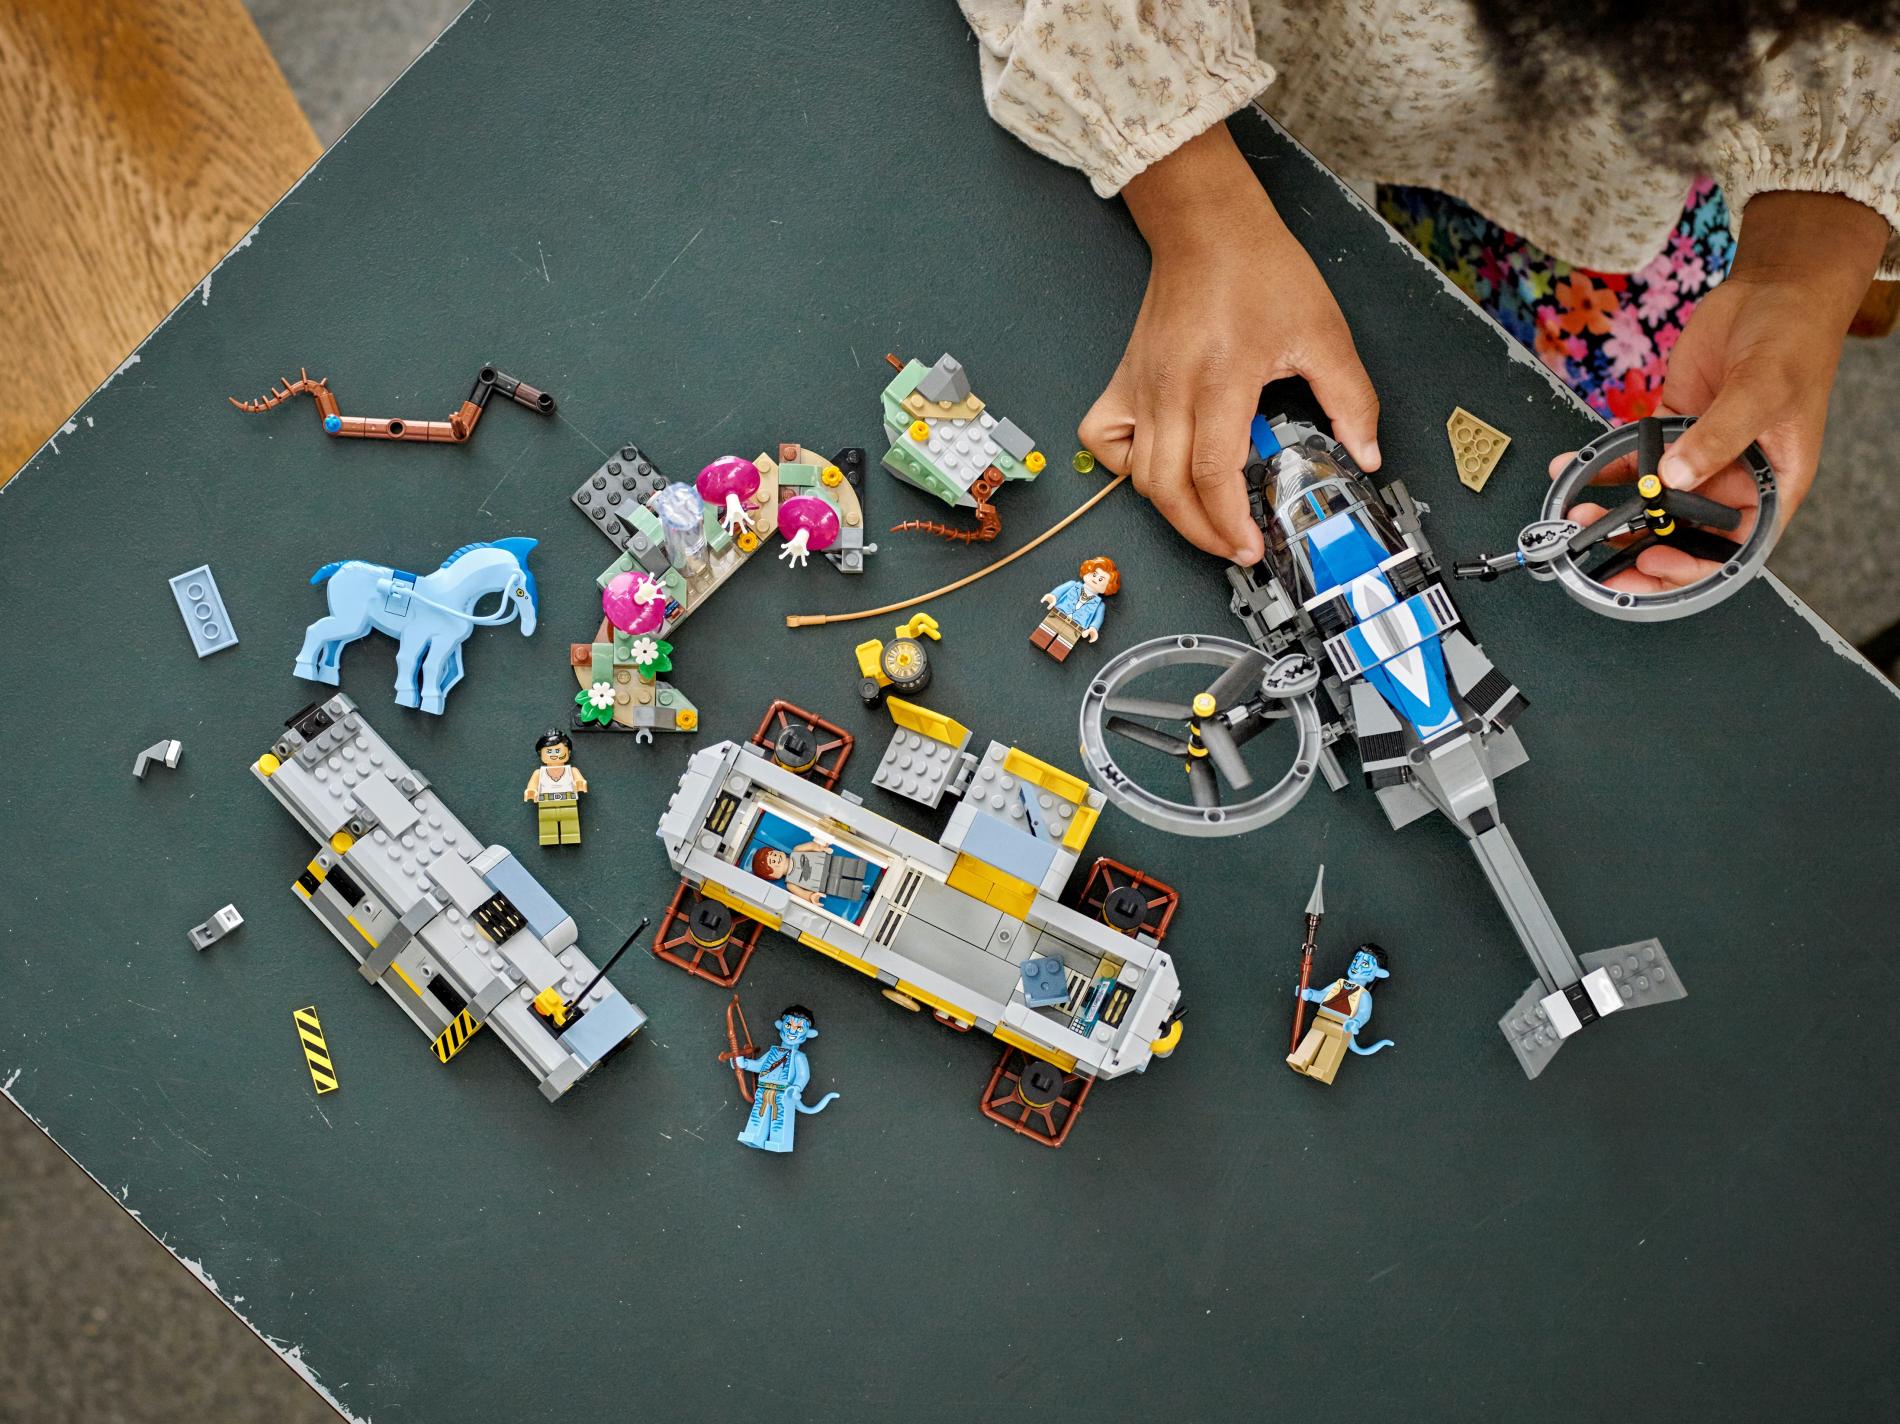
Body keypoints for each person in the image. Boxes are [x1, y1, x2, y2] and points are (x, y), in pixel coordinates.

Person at [955, 1, 1899, 593]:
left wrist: (1802, 264)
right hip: (1244, 62)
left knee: (1622, 417)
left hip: (1613, 179)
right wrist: (1194, 200)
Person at [729, 1005, 840, 1153]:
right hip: (764, 1090)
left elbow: (803, 1076)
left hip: (784, 1093)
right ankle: (754, 1136)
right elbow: (760, 1066)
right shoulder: (773, 1052)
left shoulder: (798, 1057)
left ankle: (779, 1142)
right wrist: (744, 1064)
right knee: (758, 1114)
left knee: (779, 1118)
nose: (792, 1031)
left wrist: (796, 1087)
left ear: (809, 1034)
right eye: (788, 1025)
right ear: (780, 1025)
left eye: (799, 1028)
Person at [1287, 944, 1394, 1085]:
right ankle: (1299, 1061)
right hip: (1321, 1019)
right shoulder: (1339, 984)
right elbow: (1323, 996)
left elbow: (1364, 1014)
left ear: (1378, 973)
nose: (1357, 965)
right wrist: (1309, 994)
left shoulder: (1364, 995)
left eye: (1365, 964)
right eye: (1356, 960)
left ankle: (1320, 1071)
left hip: (1341, 1028)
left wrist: (1355, 1023)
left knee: (1329, 1050)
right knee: (1311, 1041)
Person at [1032, 554, 1121, 660]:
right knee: (1042, 635)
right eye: (1094, 574)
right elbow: (1060, 591)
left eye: (1101, 579)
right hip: (1058, 614)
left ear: (1108, 587)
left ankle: (1057, 652)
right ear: (1087, 571)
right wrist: (1053, 596)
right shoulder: (1072, 584)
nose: (1096, 579)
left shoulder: (1100, 605)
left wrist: (1093, 629)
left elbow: (1098, 619)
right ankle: (1039, 640)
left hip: (1076, 626)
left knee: (1061, 647)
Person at [523, 729, 587, 846]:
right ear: (540, 753)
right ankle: (549, 838)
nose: (554, 755)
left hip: (568, 802)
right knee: (547, 824)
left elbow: (579, 779)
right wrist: (531, 790)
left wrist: (580, 782)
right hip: (546, 803)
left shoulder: (572, 771)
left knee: (570, 822)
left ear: (568, 752)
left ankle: (571, 837)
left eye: (558, 750)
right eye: (549, 751)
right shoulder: (539, 773)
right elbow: (532, 784)